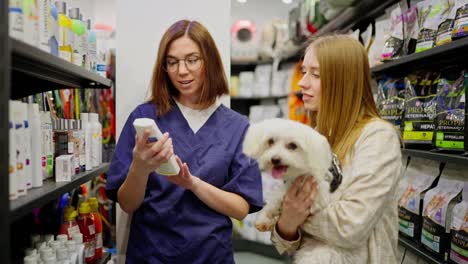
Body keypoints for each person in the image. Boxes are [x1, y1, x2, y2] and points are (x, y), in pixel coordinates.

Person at [106, 20, 263, 263]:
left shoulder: (237, 127)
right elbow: (127, 204)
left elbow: (241, 208)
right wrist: (139, 167)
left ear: (208, 61)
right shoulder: (144, 117)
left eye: (192, 59)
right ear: (164, 67)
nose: (181, 71)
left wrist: (193, 184)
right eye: (172, 62)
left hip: (210, 254)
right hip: (152, 254)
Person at [271, 35, 402, 264]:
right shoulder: (316, 136)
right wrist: (287, 222)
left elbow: (350, 225)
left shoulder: (377, 138)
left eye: (316, 74)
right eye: (304, 72)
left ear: (343, 81)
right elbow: (283, 243)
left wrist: (293, 213)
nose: (303, 83)